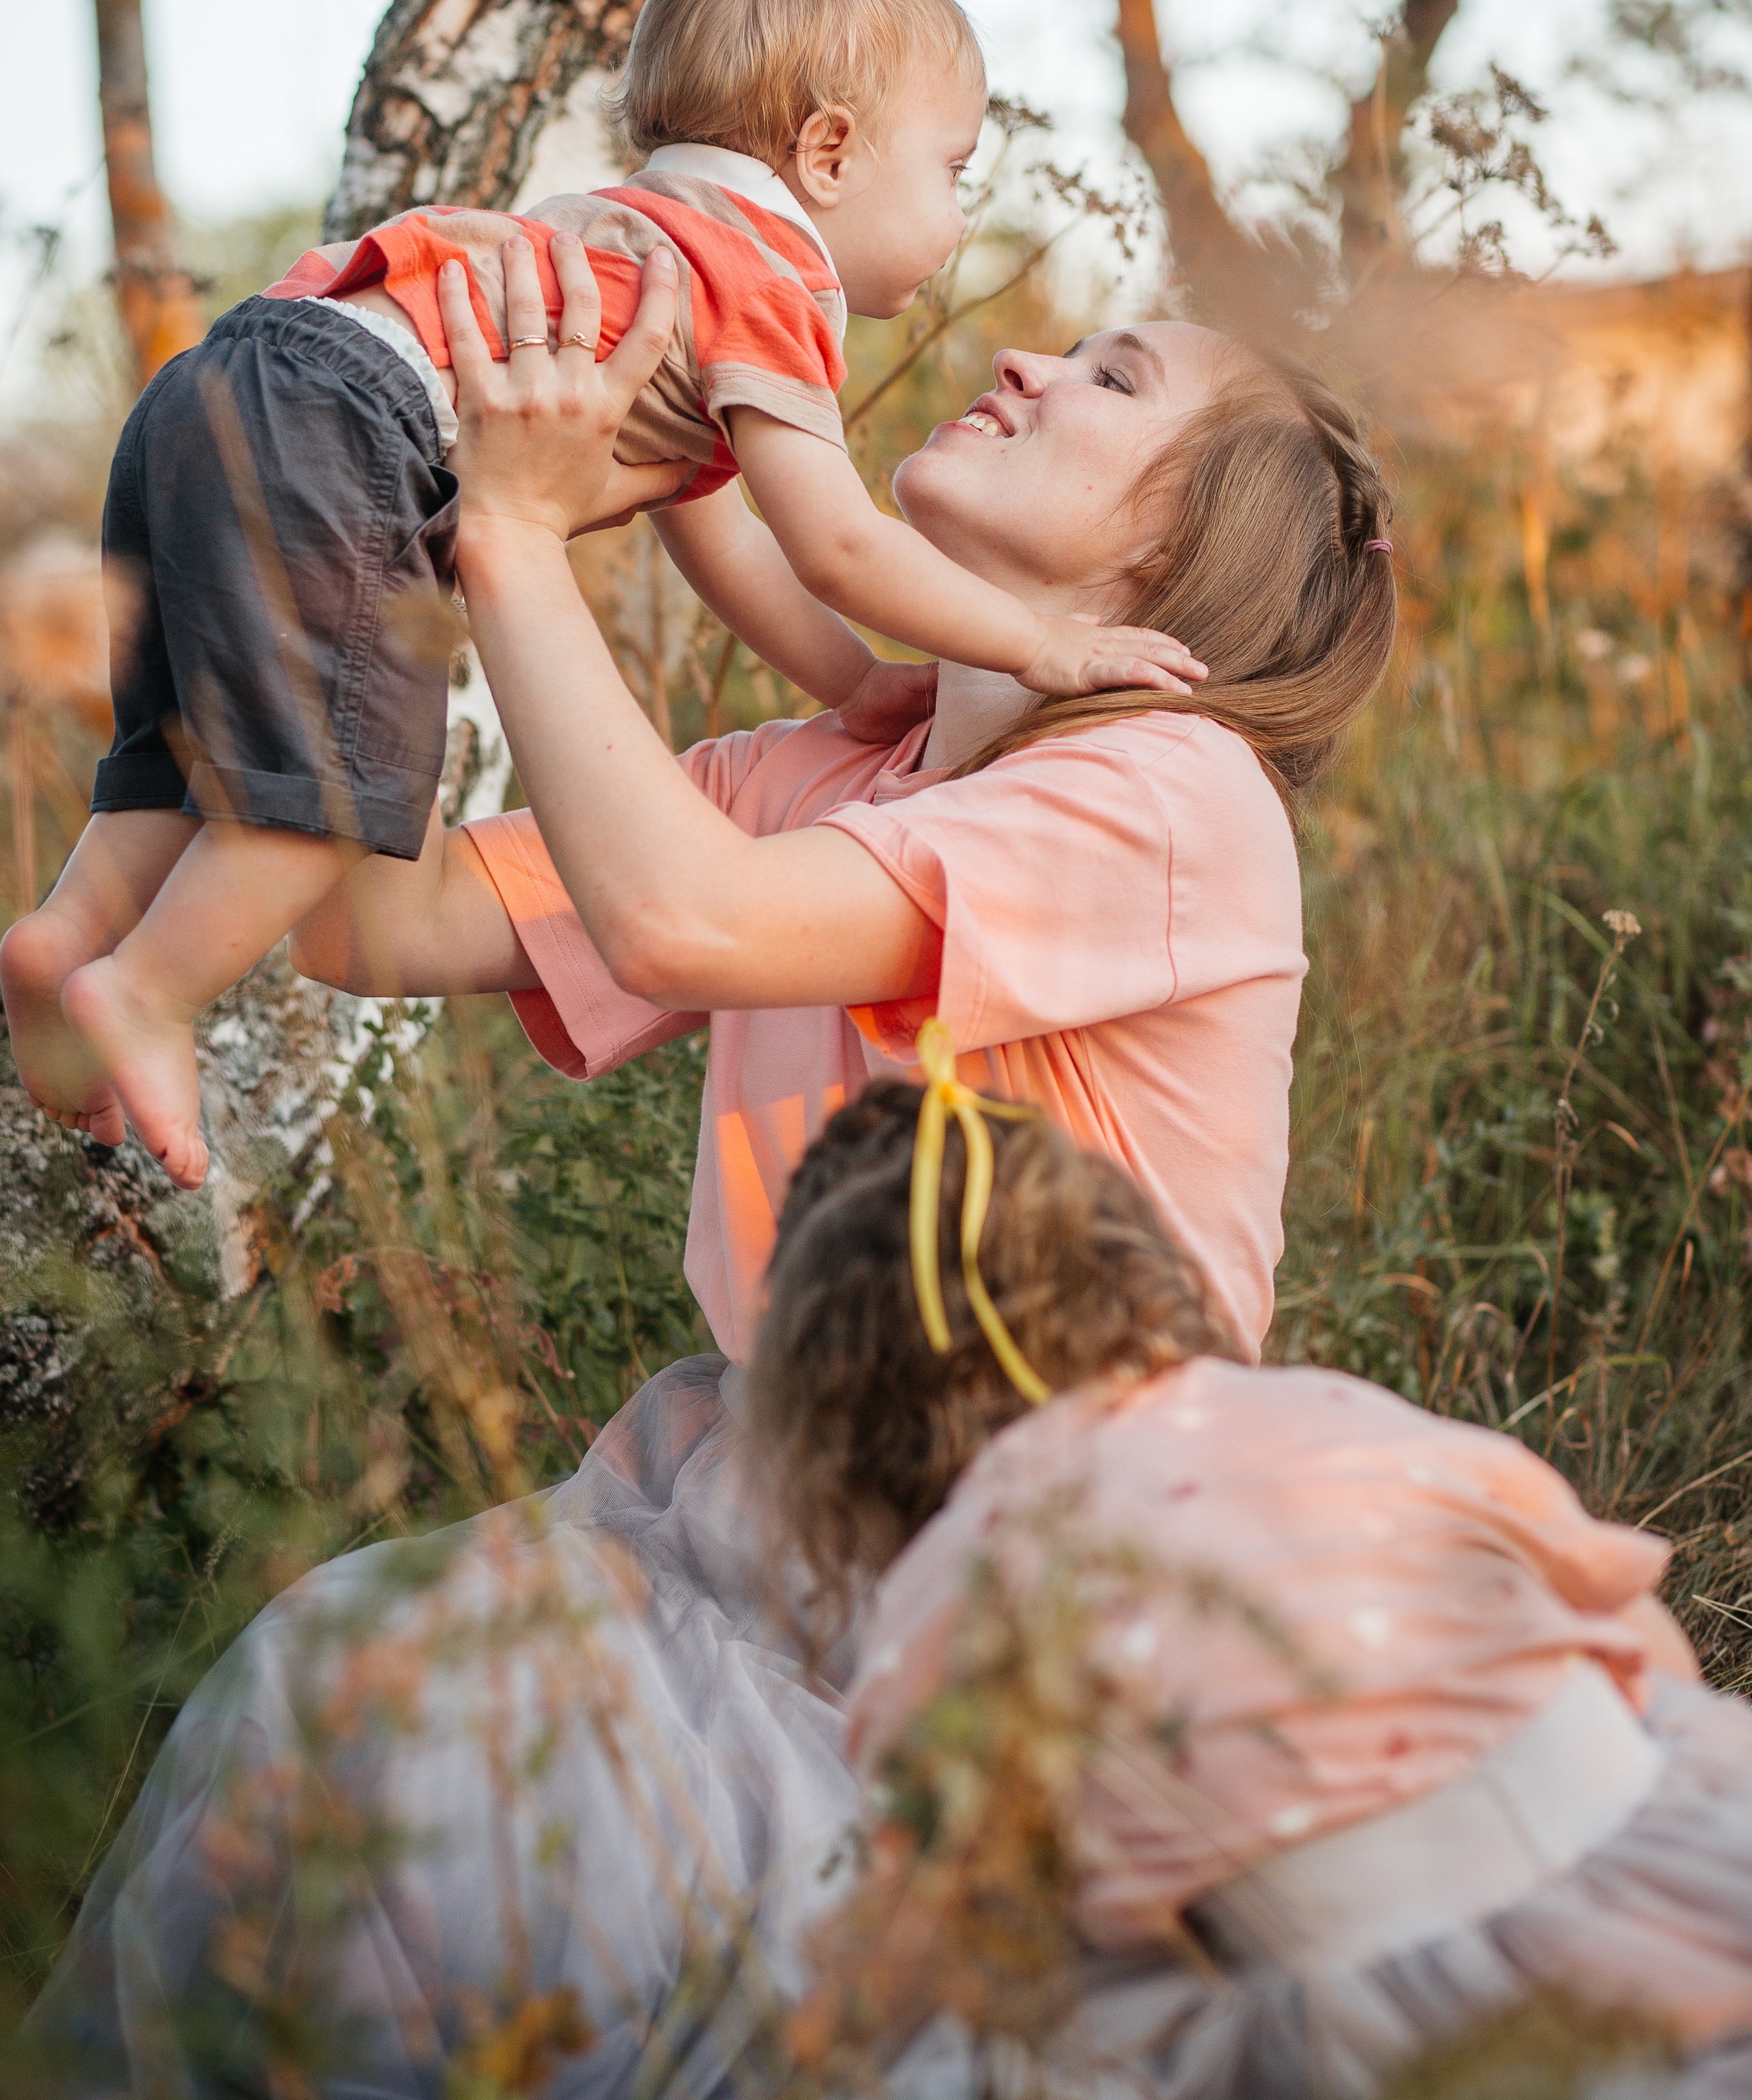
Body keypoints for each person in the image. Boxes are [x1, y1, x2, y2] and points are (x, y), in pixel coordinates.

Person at [27, 233, 1397, 2092]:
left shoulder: (1173, 798)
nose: (1022, 357)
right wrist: (338, 518)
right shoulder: (833, 770)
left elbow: (684, 924)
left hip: (1021, 1597)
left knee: (539, 1877)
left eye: (1112, 374)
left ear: (1179, 557)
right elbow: (374, 926)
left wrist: (513, 545)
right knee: (321, 1699)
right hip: (744, 1505)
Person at [0, 0, 1196, 1193]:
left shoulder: (642, 233)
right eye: (954, 169)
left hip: (233, 369)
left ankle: (64, 933)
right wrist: (1039, 643)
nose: (962, 215)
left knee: (193, 735)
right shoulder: (772, 282)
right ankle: (145, 988)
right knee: (342, 773)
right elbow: (836, 542)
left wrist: (850, 687)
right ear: (832, 150)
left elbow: (713, 532)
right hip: (354, 420)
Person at [747, 1079, 1752, 2097]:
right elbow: (1622, 1615)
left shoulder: (951, 1597)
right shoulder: (1327, 1409)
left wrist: (808, 2041)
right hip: (1668, 1847)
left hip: (1403, 2001)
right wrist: (1679, 1771)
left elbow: (907, 1949)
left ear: (843, 1422)